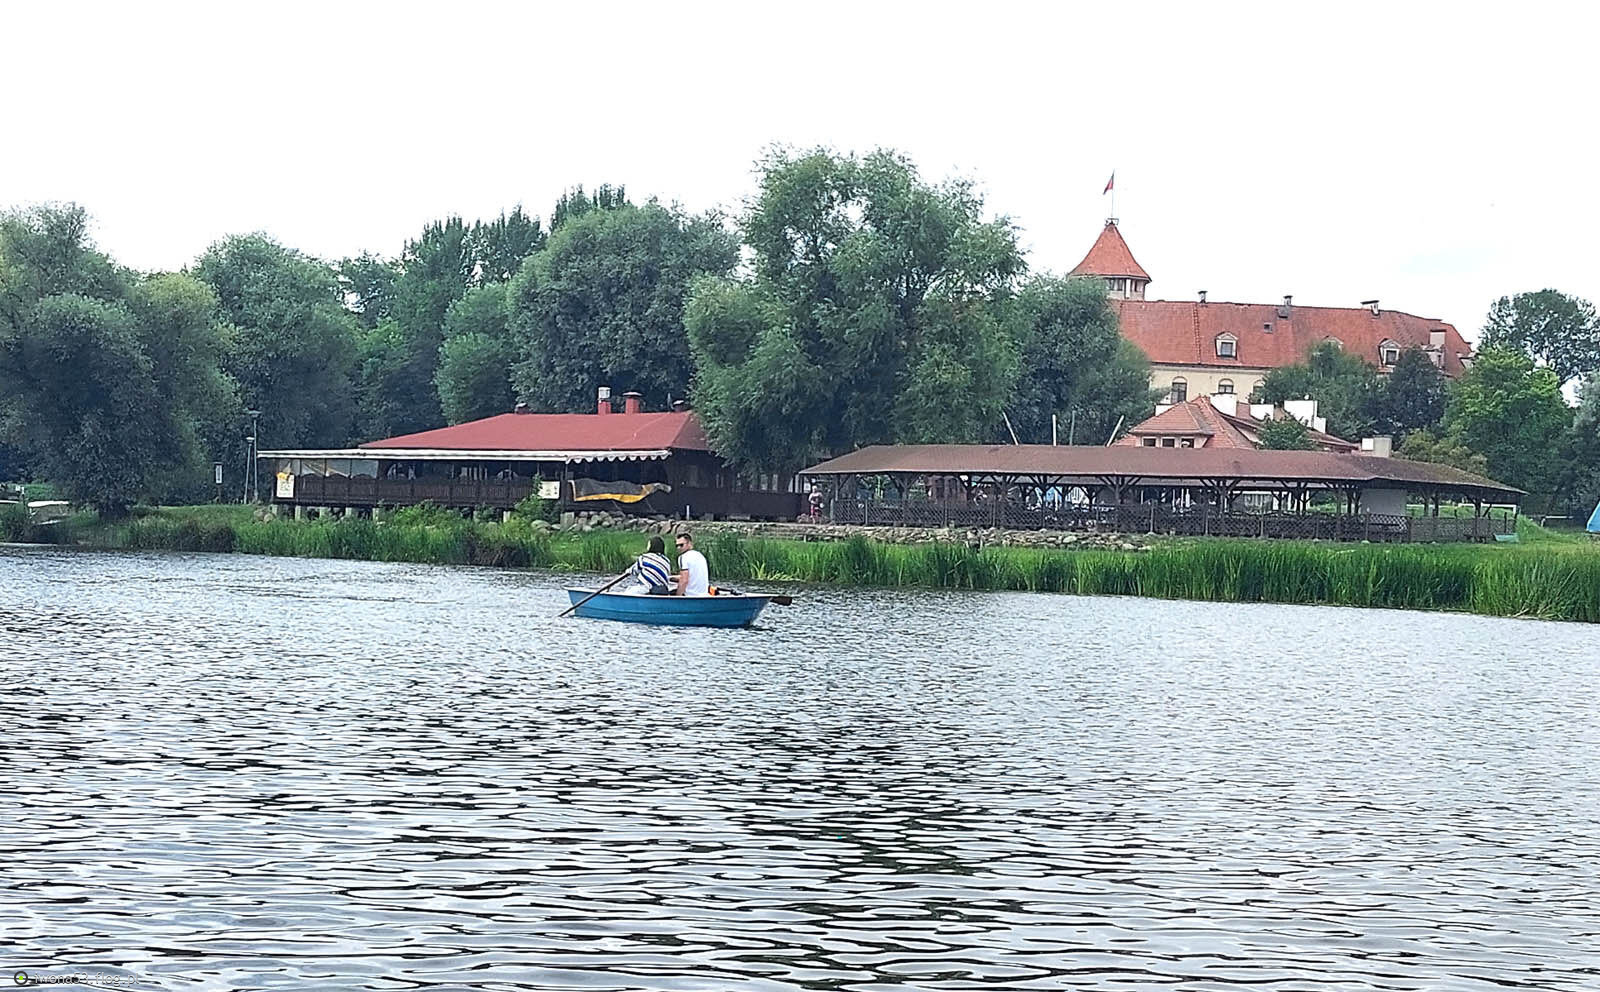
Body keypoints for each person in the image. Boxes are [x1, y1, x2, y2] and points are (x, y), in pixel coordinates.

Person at [674, 531, 710, 596]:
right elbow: (692, 576)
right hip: (704, 594)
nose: (678, 548)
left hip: (690, 595)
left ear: (689, 544)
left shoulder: (683, 557)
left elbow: (684, 580)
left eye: (681, 545)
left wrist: (677, 596)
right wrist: (671, 578)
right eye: (677, 546)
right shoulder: (700, 555)